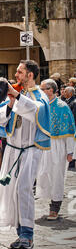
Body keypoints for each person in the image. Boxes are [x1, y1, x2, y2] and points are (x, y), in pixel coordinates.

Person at [0, 60, 50, 249]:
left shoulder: (40, 96)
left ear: (30, 75)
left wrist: (17, 97)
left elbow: (35, 111)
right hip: (12, 150)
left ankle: (27, 234)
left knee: (24, 189)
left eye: (20, 72)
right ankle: (19, 231)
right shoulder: (17, 94)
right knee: (11, 191)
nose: (16, 75)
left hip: (30, 150)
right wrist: (10, 104)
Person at [36, 79, 75, 220]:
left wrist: (70, 151)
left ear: (51, 90)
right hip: (42, 145)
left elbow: (70, 130)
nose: (41, 91)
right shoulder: (41, 106)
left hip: (58, 146)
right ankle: (45, 197)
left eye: (43, 89)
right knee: (43, 174)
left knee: (57, 177)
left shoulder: (62, 106)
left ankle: (55, 207)